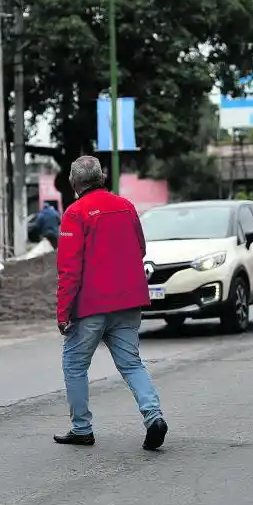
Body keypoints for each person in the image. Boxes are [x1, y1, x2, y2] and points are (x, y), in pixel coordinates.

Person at [54, 155, 167, 451]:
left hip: (91, 305)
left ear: (73, 182)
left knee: (74, 365)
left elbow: (69, 269)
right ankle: (154, 417)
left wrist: (63, 312)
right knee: (131, 363)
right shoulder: (126, 206)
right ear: (102, 178)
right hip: (128, 301)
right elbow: (140, 248)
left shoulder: (75, 213)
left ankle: (81, 428)